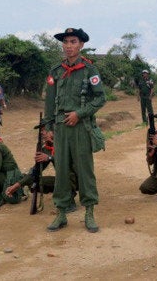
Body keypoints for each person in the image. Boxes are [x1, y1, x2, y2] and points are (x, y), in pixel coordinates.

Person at [44, 28, 105, 233]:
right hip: (61, 128)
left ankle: (89, 213)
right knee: (61, 170)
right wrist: (48, 126)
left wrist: (79, 113)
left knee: (84, 170)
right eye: (66, 42)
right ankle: (61, 213)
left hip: (81, 127)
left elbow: (100, 98)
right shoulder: (56, 71)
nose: (68, 45)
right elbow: (50, 101)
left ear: (81, 45)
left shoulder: (89, 70)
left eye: (73, 41)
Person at [4, 128, 78, 213]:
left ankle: (70, 201)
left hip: (76, 179)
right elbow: (36, 171)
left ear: (53, 131)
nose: (42, 133)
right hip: (61, 179)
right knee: (34, 181)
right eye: (41, 131)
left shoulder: (66, 142)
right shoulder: (46, 147)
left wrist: (50, 157)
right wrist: (17, 185)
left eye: (45, 130)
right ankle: (62, 195)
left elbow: (68, 162)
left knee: (66, 175)